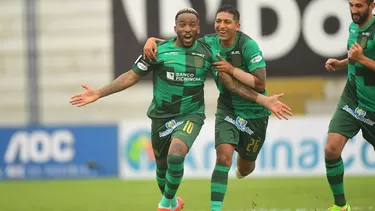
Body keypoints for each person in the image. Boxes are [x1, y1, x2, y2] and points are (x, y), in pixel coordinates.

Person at [71, 8, 291, 211]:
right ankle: (173, 202)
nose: (187, 29)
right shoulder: (159, 51)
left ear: (198, 29)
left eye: (192, 25)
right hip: (161, 116)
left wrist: (263, 101)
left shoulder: (207, 52)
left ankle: (165, 204)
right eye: (182, 25)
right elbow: (131, 76)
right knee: (162, 167)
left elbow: (230, 83)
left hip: (190, 115)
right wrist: (98, 93)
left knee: (177, 155)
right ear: (175, 28)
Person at [143, 5, 292, 211]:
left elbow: (260, 84)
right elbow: (179, 43)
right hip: (228, 109)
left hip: (254, 111)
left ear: (237, 26)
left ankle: (246, 164)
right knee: (223, 157)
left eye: (227, 22)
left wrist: (232, 70)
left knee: (245, 168)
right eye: (218, 21)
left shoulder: (248, 46)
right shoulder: (208, 43)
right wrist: (152, 40)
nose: (221, 26)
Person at [324, 0, 375, 210]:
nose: (354, 10)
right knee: (331, 149)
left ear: (371, 5)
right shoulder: (353, 26)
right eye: (351, 5)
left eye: (359, 6)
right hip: (352, 99)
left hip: (373, 105)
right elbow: (356, 57)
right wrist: (342, 62)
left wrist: (361, 59)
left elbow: (363, 58)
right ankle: (341, 206)